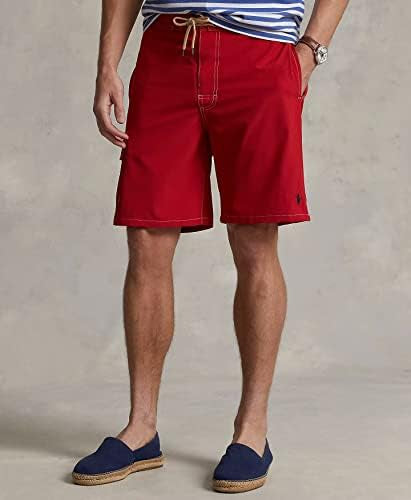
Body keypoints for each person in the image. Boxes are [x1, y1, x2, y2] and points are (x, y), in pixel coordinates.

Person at [72, 0, 349, 493]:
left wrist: (311, 49)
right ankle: (141, 428)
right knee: (147, 237)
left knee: (254, 237)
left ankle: (252, 431)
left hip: (260, 54)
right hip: (167, 52)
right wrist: (107, 64)